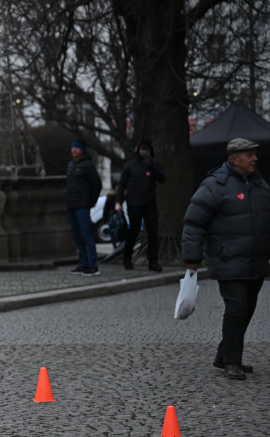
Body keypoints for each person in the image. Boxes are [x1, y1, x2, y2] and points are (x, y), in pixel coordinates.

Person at [181, 137, 270, 381]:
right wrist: (192, 258)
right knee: (237, 308)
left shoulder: (260, 185)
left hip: (256, 261)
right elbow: (194, 222)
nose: (255, 158)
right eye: (249, 155)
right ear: (235, 159)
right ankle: (232, 362)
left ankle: (224, 354)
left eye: (255, 154)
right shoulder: (215, 186)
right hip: (228, 261)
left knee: (247, 310)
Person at [115, 137, 165, 271]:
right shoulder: (130, 166)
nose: (144, 152)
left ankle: (153, 261)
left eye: (147, 150)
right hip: (134, 203)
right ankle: (127, 258)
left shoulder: (153, 164)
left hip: (149, 203)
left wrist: (153, 166)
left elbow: (162, 178)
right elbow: (122, 185)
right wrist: (118, 201)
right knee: (133, 231)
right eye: (143, 150)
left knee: (152, 233)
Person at [66, 139, 102, 276]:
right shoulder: (70, 165)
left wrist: (90, 201)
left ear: (82, 150)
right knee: (77, 235)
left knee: (87, 235)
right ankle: (83, 263)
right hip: (72, 205)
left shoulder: (87, 165)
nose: (74, 150)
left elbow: (96, 184)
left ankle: (93, 265)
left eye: (76, 148)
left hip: (82, 205)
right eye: (72, 147)